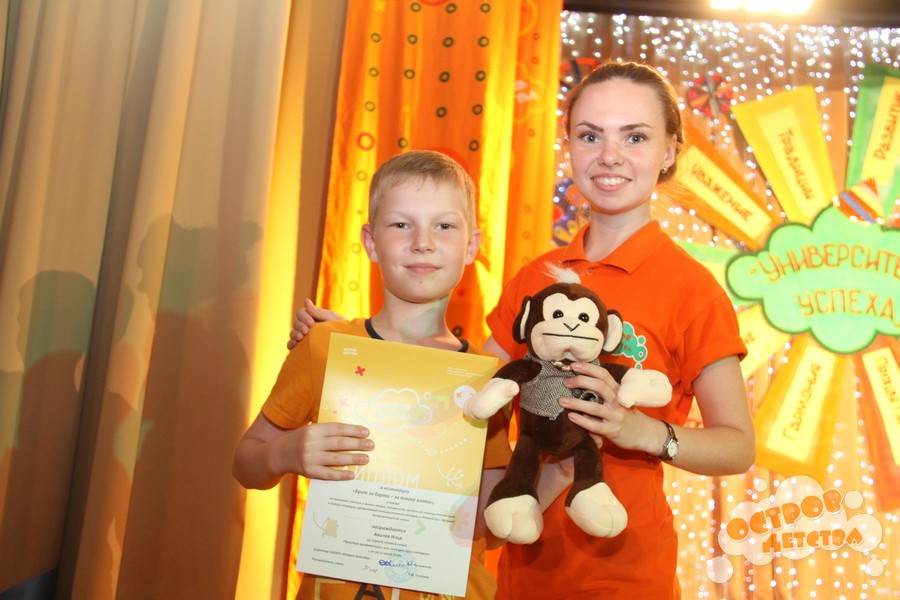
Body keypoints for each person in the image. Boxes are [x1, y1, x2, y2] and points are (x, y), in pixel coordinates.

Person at [290, 61, 756, 599]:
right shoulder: (537, 276)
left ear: (670, 151)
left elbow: (736, 446)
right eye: (590, 135)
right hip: (519, 566)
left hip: (624, 575)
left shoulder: (693, 289)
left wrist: (642, 432)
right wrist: (363, 347)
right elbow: (466, 391)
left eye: (635, 136)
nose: (609, 156)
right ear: (570, 146)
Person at [233, 150, 512, 600]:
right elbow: (246, 464)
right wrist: (286, 452)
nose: (422, 242)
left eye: (444, 226)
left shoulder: (489, 381)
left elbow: (490, 527)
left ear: (471, 245)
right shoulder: (326, 347)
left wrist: (556, 460)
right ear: (370, 241)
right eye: (401, 224)